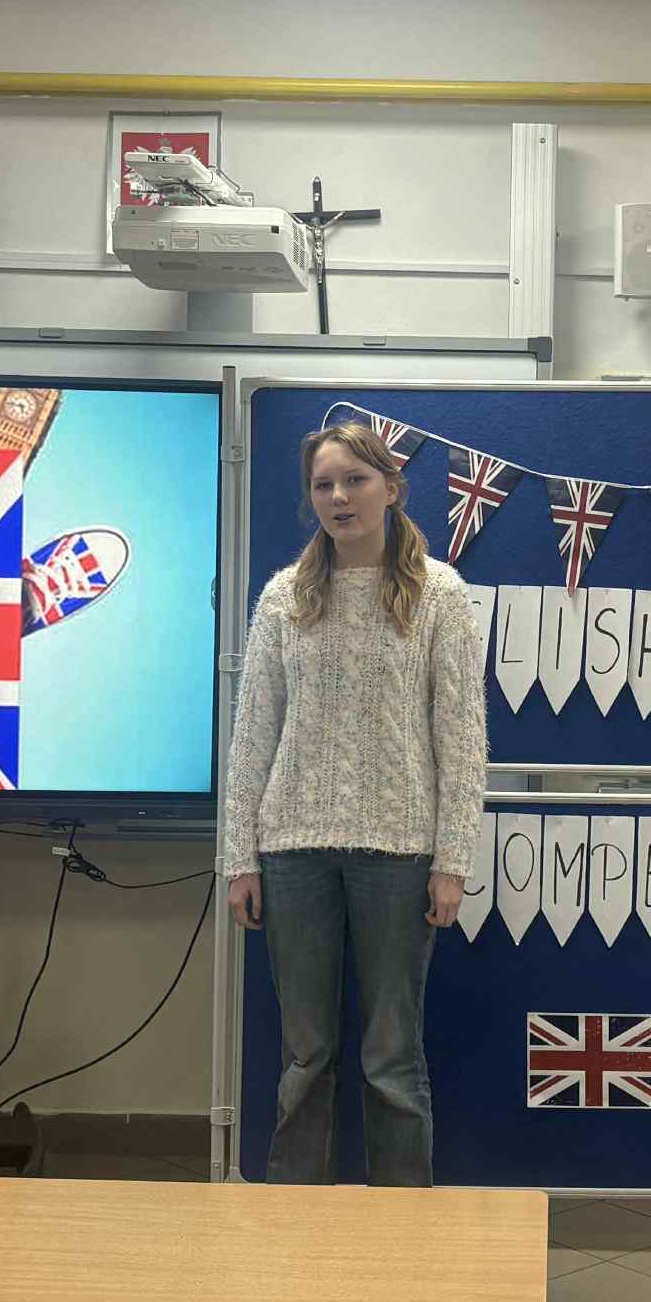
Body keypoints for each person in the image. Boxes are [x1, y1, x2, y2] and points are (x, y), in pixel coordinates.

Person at [221, 419, 488, 1186]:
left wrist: (452, 861)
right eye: (324, 484)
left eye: (355, 480)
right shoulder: (285, 598)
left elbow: (462, 736)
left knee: (391, 1058)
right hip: (293, 852)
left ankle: (400, 1228)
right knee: (305, 1055)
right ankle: (295, 1223)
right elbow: (254, 732)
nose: (339, 497)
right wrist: (240, 858)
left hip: (400, 856)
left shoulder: (440, 595)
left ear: (391, 489)